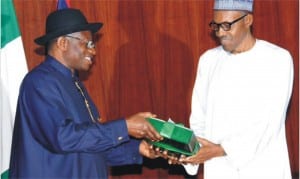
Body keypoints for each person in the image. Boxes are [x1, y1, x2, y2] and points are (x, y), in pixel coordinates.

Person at [9, 8, 164, 178]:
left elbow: (89, 146)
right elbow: (63, 137)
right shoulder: (39, 82)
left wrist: (138, 149)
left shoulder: (74, 83)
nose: (94, 51)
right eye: (88, 44)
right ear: (63, 43)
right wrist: (125, 126)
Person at [181, 0, 294, 178]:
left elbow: (267, 123)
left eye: (227, 25)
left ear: (248, 20)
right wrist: (192, 152)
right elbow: (198, 118)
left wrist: (219, 150)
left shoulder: (277, 59)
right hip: (219, 169)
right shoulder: (208, 60)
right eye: (216, 26)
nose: (220, 33)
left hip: (263, 168)